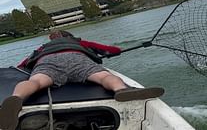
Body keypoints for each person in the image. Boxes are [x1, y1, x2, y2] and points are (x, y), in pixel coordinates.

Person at [0, 30, 164, 130]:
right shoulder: (79, 42)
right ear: (70, 36)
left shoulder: (42, 48)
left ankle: (17, 98)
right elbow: (111, 49)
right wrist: (110, 52)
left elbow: (22, 66)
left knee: (36, 82)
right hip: (77, 59)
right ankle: (121, 90)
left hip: (48, 61)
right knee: (103, 76)